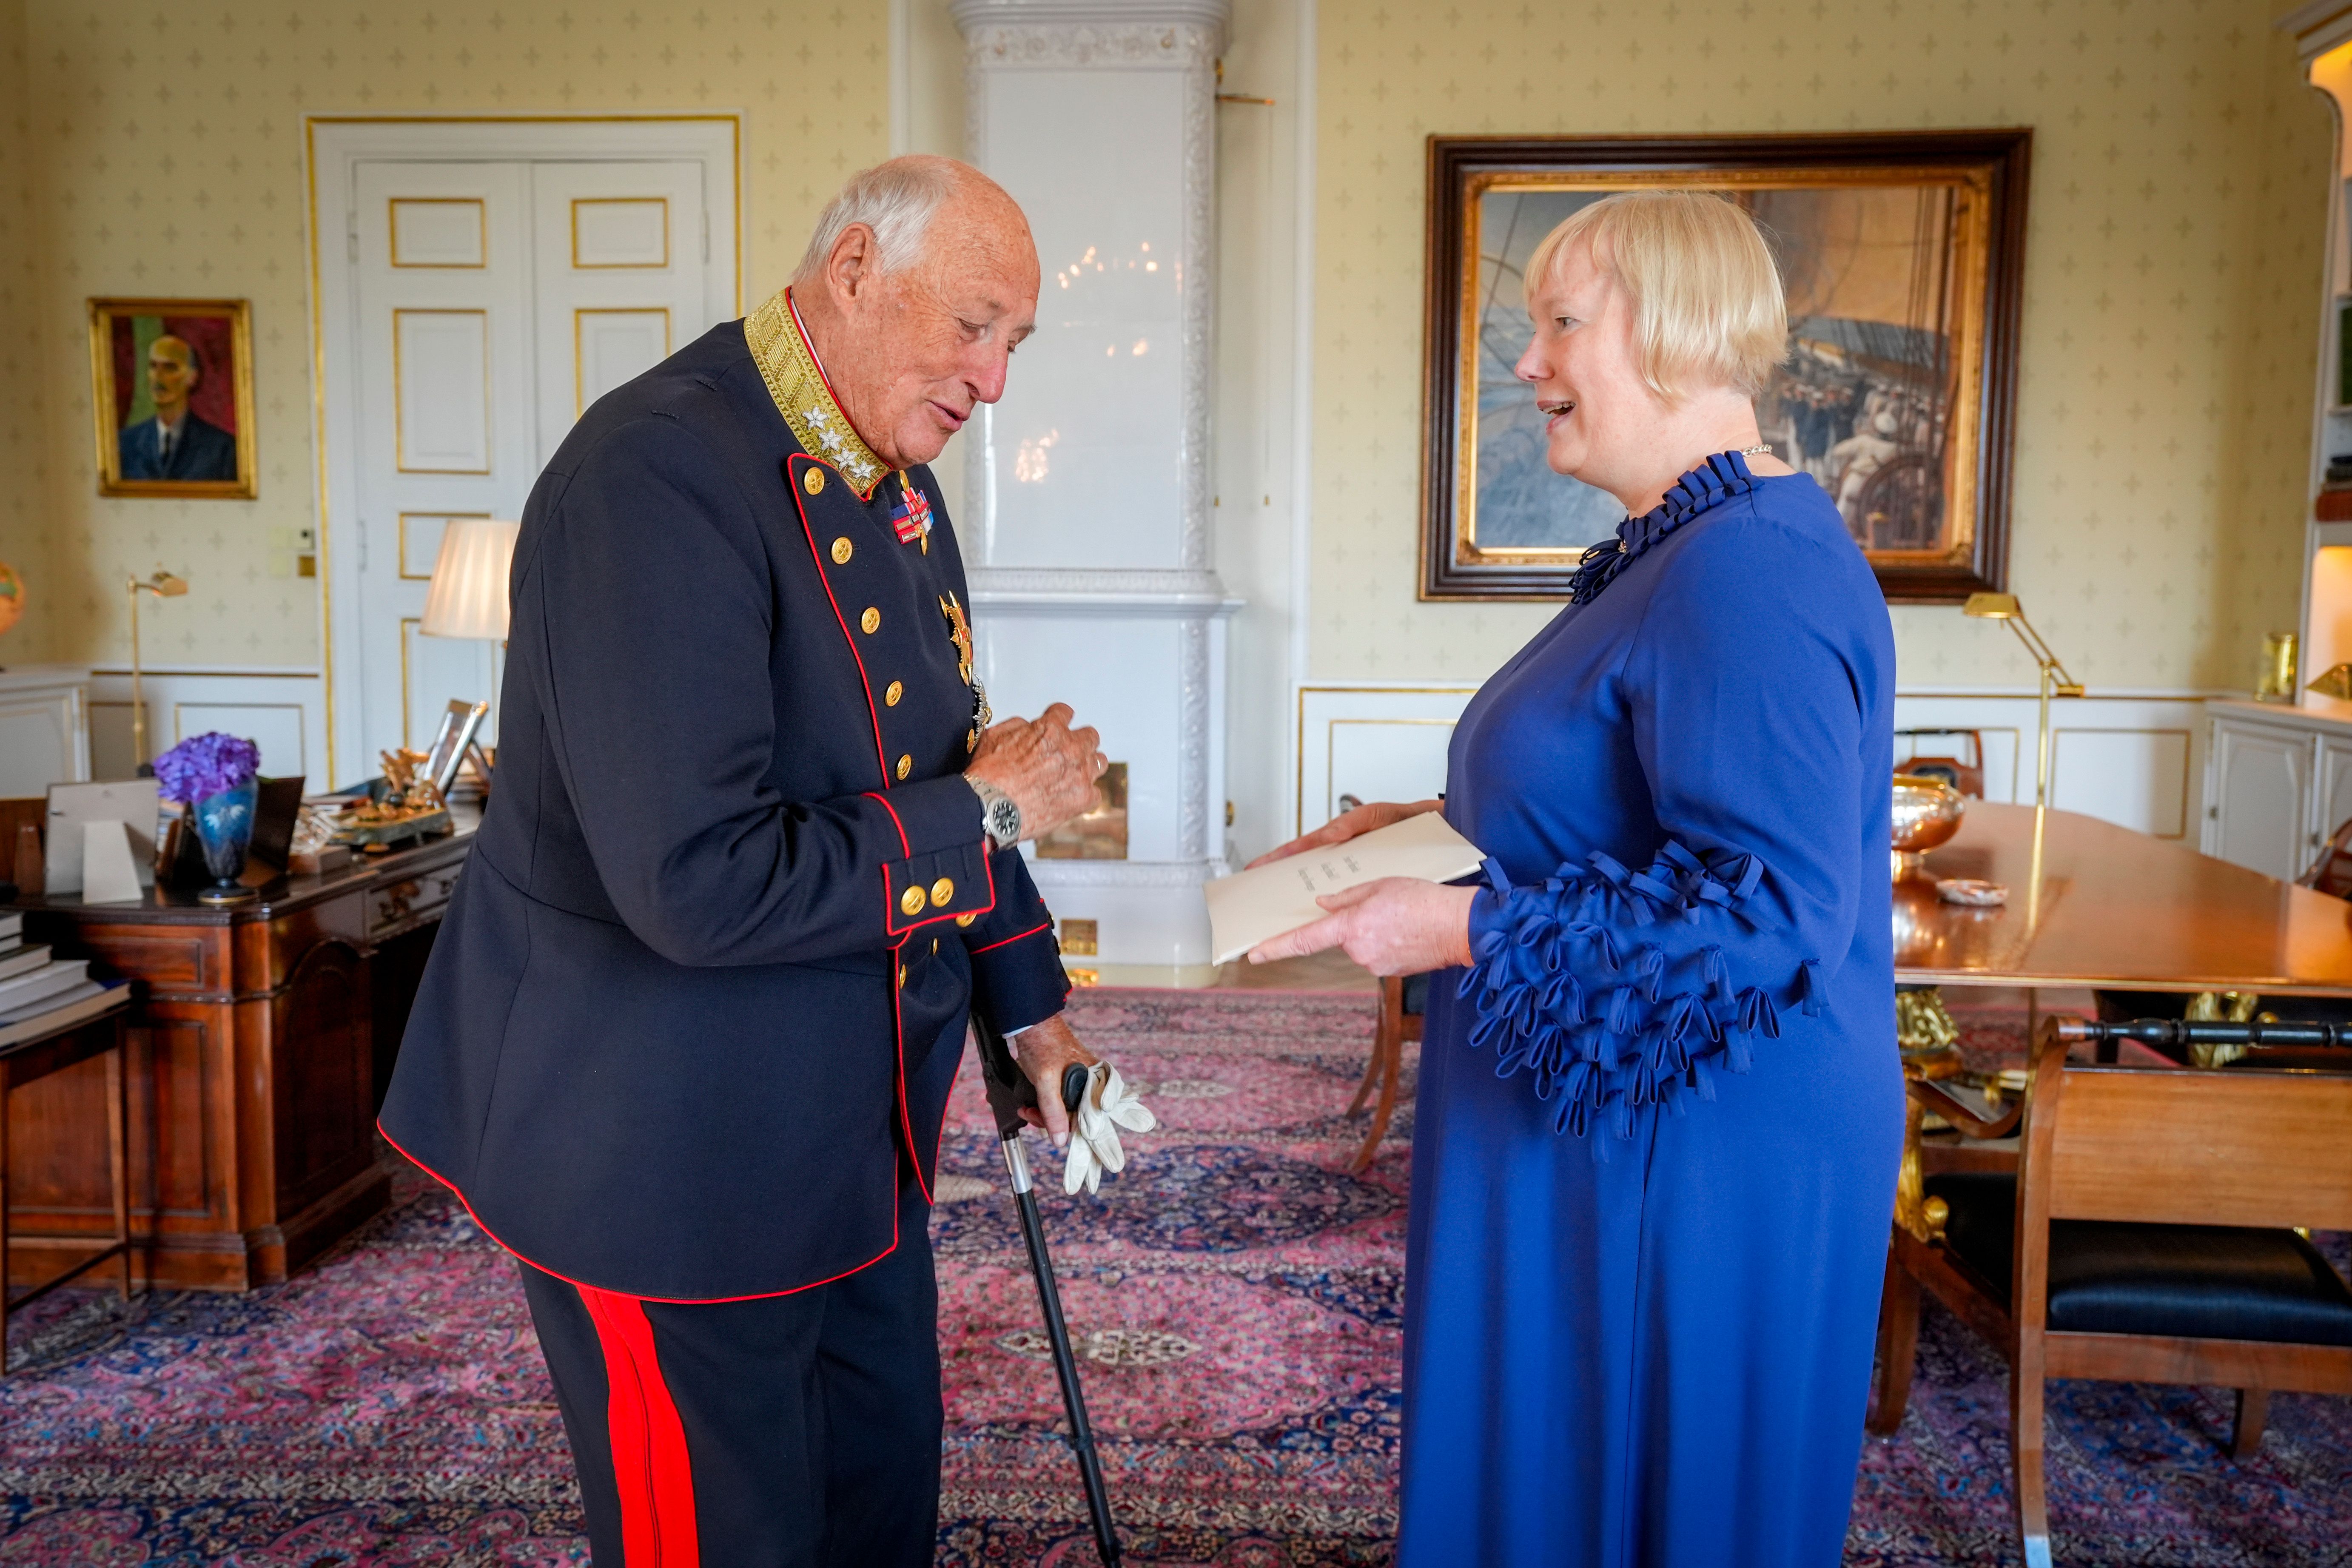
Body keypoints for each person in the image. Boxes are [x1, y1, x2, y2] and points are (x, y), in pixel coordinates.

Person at [380, 156, 1122, 1567]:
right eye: (973, 325)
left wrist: (1035, 1015)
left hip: (849, 1137)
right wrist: (990, 805)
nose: (993, 379)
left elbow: (937, 771)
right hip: (666, 1153)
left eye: (1014, 342)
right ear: (853, 271)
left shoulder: (891, 474)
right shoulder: (652, 475)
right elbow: (700, 881)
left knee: (875, 1512)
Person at [1251, 191, 1900, 1566]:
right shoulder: (1689, 544)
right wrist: (1418, 825)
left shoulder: (1747, 571)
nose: (1527, 359)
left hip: (1692, 1156)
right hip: (1620, 1120)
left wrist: (1458, 926)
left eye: (1560, 322)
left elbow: (1771, 914)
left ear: (1672, 332)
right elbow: (1618, 793)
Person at [118, 333, 239, 481]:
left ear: (192, 377)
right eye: (153, 366)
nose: (158, 376)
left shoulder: (222, 449)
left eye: (170, 367)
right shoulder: (125, 443)